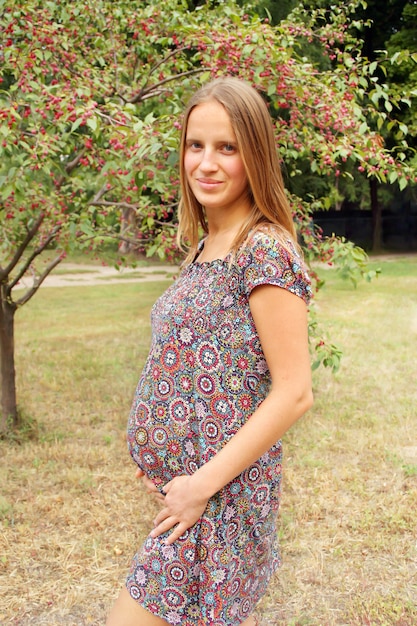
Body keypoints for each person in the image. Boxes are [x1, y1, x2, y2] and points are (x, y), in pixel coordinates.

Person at [106, 77, 313, 626]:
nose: (207, 163)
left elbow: (294, 393)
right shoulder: (205, 246)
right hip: (193, 496)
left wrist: (198, 483)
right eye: (196, 145)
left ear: (256, 156)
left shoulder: (263, 250)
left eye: (227, 147)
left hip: (223, 499)